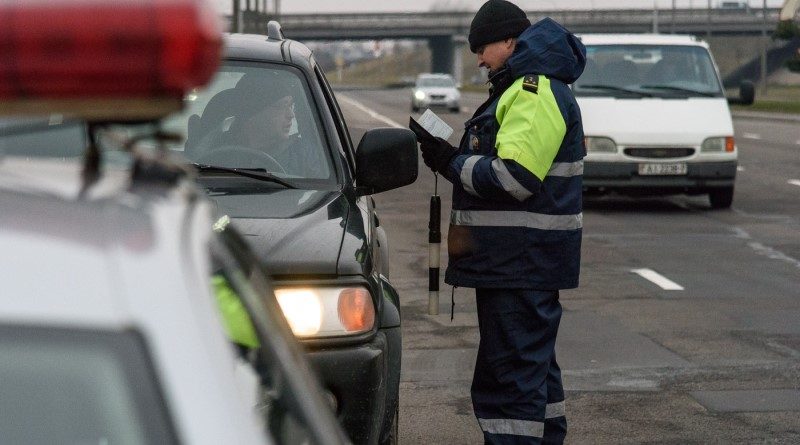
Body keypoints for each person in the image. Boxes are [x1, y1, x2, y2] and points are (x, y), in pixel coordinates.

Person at [417, 1, 586, 444]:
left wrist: (451, 161)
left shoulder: (533, 90)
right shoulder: (521, 88)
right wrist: (452, 154)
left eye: (482, 48)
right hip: (519, 264)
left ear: (510, 41)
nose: (478, 59)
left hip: (521, 265)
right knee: (532, 377)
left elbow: (515, 177)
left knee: (508, 386)